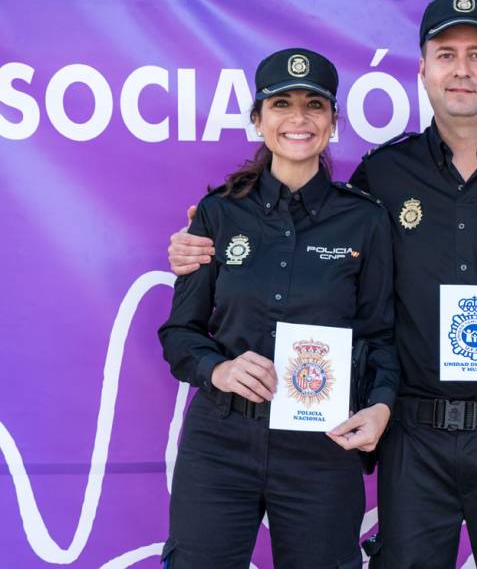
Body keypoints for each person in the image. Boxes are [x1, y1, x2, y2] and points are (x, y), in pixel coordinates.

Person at [169, 0, 477, 569]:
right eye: (445, 54)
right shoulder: (383, 177)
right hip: (413, 437)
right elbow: (334, 272)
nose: (461, 69)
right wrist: (202, 241)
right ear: (423, 68)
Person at [159, 47, 398, 569]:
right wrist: (217, 368)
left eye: (314, 105)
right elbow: (180, 334)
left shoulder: (364, 221)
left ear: (333, 122)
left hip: (323, 445)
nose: (298, 118)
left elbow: (382, 335)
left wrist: (381, 405)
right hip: (221, 440)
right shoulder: (218, 214)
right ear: (257, 119)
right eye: (281, 104)